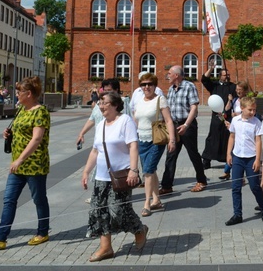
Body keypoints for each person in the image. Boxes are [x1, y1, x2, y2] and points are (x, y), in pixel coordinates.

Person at [0, 76, 50, 250]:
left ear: (29, 93)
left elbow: (37, 139)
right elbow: (21, 131)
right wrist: (9, 134)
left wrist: (20, 159)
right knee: (9, 199)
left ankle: (42, 232)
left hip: (34, 164)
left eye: (19, 91)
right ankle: (0, 238)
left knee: (39, 199)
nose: (16, 94)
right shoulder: (21, 110)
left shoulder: (40, 111)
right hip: (17, 165)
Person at [81, 92, 148, 262]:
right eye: (100, 103)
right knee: (98, 211)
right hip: (101, 177)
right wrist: (86, 171)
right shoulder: (102, 124)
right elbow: (95, 150)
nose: (101, 106)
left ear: (115, 105)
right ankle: (106, 247)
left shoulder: (125, 121)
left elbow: (133, 146)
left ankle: (139, 229)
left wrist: (134, 170)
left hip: (121, 175)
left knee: (118, 211)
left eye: (105, 103)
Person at [130, 73, 176, 216]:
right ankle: (156, 200)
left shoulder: (160, 99)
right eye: (143, 84)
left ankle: (147, 203)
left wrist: (172, 139)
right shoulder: (139, 101)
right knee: (152, 170)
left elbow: (168, 120)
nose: (147, 87)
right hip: (142, 140)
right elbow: (136, 119)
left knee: (148, 171)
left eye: (150, 84)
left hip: (156, 140)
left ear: (155, 85)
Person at [160, 65, 208, 194]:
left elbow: (194, 107)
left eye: (169, 73)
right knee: (171, 154)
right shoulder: (171, 89)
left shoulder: (189, 86)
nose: (167, 76)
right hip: (174, 126)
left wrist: (186, 125)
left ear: (176, 75)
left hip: (187, 125)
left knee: (193, 153)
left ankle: (201, 181)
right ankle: (167, 185)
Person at [225, 96, 263, 225]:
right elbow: (232, 137)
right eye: (250, 109)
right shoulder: (235, 120)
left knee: (254, 186)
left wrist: (258, 159)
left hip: (251, 158)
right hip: (238, 157)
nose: (253, 112)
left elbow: (258, 141)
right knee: (235, 187)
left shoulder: (256, 122)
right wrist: (228, 154)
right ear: (242, 108)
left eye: (254, 110)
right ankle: (237, 214)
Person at [201, 59, 237, 169]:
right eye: (224, 75)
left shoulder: (232, 87)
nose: (226, 77)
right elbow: (204, 79)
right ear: (220, 76)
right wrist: (211, 68)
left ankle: (228, 159)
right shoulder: (215, 86)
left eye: (228, 75)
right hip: (217, 115)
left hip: (229, 116)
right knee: (213, 137)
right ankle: (206, 160)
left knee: (228, 137)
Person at [219, 81, 251, 180]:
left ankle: (228, 171)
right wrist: (229, 101)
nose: (237, 91)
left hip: (244, 127)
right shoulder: (235, 100)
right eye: (237, 89)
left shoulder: (248, 101)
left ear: (245, 90)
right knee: (233, 148)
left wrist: (237, 115)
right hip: (234, 127)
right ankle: (227, 171)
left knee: (237, 150)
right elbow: (226, 109)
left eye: (240, 90)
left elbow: (250, 114)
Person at [76, 78, 121, 148]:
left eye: (109, 91)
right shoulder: (98, 104)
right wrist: (81, 133)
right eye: (105, 90)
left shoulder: (121, 104)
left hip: (115, 144)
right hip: (99, 141)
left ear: (116, 90)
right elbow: (92, 119)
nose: (106, 93)